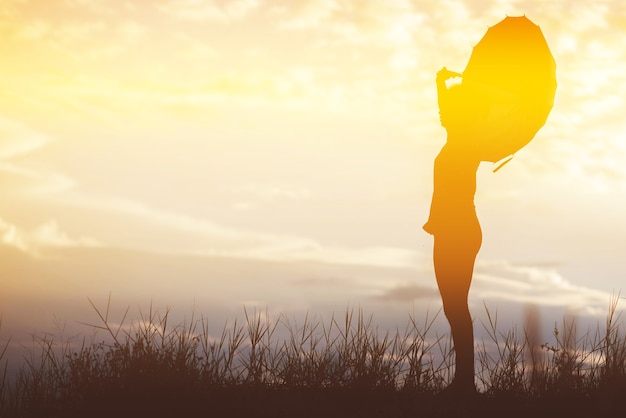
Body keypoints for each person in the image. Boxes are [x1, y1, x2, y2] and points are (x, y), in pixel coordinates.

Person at [423, 67, 487, 396]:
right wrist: (440, 82)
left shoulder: (466, 143)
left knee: (456, 306)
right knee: (453, 306)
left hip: (457, 229)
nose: (442, 115)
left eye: (449, 111)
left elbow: (449, 110)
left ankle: (465, 384)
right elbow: (445, 108)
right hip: (453, 228)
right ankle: (463, 382)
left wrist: (449, 87)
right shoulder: (458, 139)